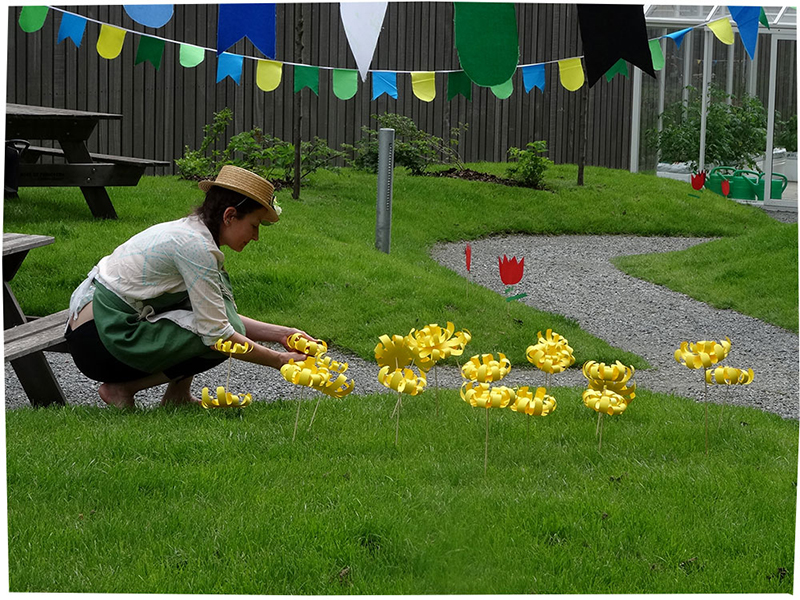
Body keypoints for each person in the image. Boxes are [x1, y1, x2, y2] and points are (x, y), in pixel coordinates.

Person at [65, 165, 317, 409]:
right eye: (254, 225)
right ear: (229, 216)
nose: (256, 237)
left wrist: (283, 334)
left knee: (218, 324)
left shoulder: (194, 233)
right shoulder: (195, 247)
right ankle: (122, 389)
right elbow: (218, 333)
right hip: (98, 342)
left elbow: (214, 314)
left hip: (98, 329)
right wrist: (279, 361)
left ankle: (178, 396)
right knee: (221, 337)